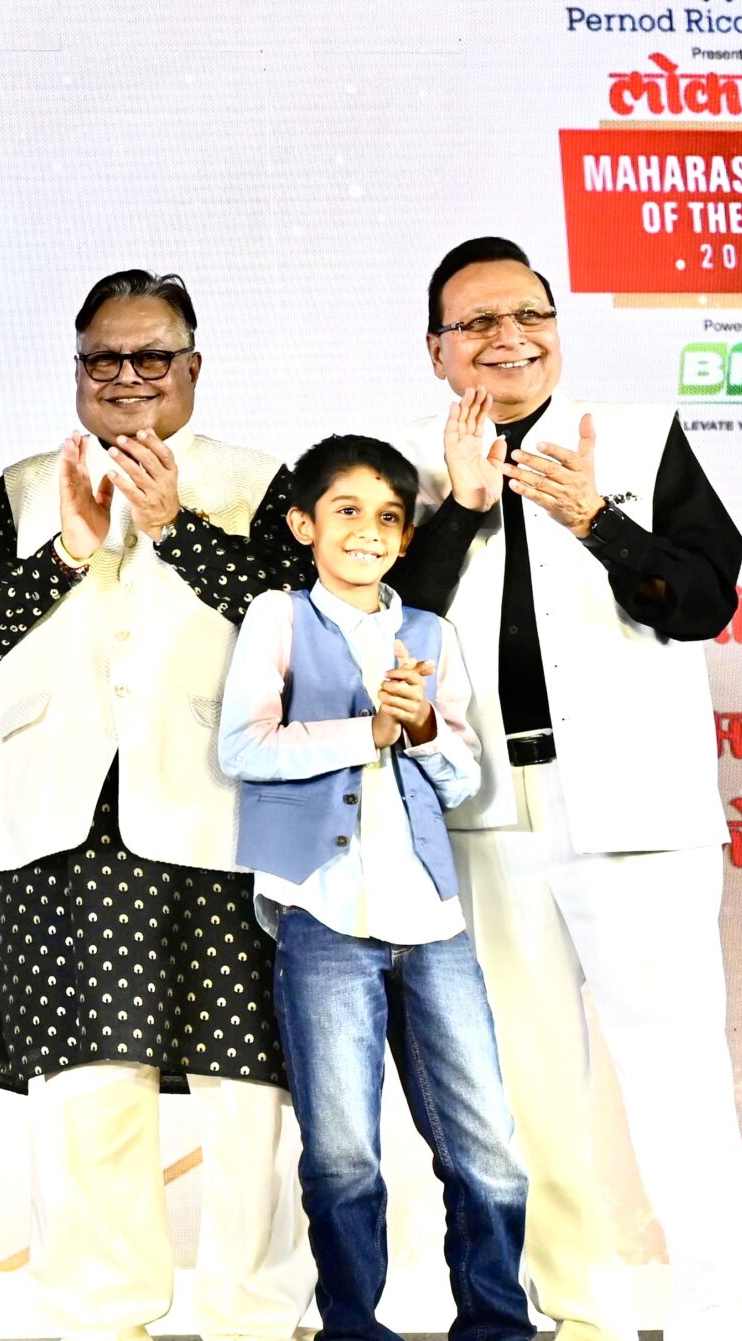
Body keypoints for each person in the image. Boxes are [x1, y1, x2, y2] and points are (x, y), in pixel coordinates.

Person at [388, 236, 742, 1341]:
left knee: (678, 1083)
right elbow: (380, 628)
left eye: (530, 315)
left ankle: (722, 1322)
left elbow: (702, 601)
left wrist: (598, 519)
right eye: (477, 323)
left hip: (635, 812)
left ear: (556, 326)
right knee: (526, 1099)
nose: (509, 338)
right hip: (485, 818)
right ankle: (574, 1316)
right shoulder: (403, 467)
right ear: (436, 350)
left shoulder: (636, 436)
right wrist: (461, 508)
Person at [0, 270, 313, 1341]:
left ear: (193, 366)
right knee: (86, 1094)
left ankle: (256, 1316)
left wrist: (175, 526)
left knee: (250, 1097)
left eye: (151, 356)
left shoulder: (262, 480)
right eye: (102, 358)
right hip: (59, 822)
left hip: (226, 813)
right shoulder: (20, 487)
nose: (126, 376)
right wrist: (68, 546)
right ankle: (97, 1316)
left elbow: (303, 622)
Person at [217, 435, 527, 1341]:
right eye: (346, 510)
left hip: (431, 918)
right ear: (302, 525)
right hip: (323, 916)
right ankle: (354, 1327)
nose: (369, 531)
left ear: (406, 536)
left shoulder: (430, 633)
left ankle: (497, 1324)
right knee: (343, 1153)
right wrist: (368, 734)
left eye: (389, 516)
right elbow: (243, 747)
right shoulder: (277, 617)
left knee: (486, 1146)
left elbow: (462, 778)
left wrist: (422, 725)